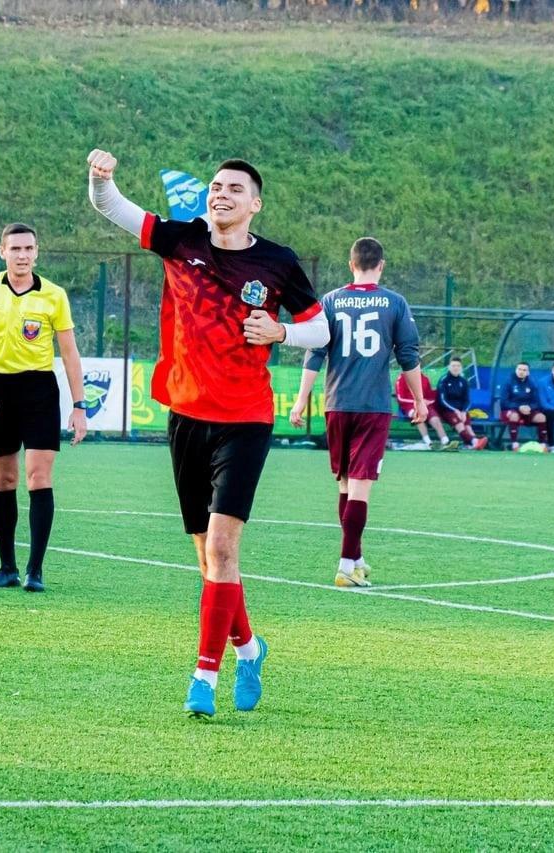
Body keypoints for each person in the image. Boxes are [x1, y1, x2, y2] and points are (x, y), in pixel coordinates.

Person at [89, 149, 329, 718]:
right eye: (217, 186)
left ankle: (204, 677)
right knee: (207, 558)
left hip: (246, 419)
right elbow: (112, 207)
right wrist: (101, 179)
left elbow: (320, 329)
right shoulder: (181, 239)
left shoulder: (277, 262)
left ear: (255, 205)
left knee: (223, 548)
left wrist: (281, 332)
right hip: (187, 416)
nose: (222, 194)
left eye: (235, 189)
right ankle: (249, 649)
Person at [293, 238, 424, 589]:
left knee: (346, 485)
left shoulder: (331, 301)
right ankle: (346, 565)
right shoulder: (394, 302)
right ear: (381, 265)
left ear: (351, 265)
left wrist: (301, 400)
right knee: (361, 488)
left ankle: (357, 557)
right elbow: (408, 355)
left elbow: (315, 352)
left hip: (336, 403)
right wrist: (420, 400)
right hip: (372, 406)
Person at [0, 224, 87, 595]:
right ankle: (7, 568)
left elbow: (70, 353)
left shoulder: (54, 295)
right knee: (4, 480)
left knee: (38, 477)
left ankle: (35, 570)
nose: (22, 255)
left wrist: (79, 406)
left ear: (37, 252)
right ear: (2, 251)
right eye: (15, 248)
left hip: (39, 392)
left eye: (28, 248)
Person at [395, 371, 455, 450]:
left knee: (435, 419)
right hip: (409, 406)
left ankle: (446, 442)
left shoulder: (424, 378)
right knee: (419, 416)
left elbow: (429, 396)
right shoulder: (402, 378)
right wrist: (418, 402)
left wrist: (433, 398)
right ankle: (428, 443)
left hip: (424, 406)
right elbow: (400, 398)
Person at [435, 357, 487, 449]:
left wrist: (464, 411)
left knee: (467, 426)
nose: (456, 368)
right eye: (453, 366)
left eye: (458, 366)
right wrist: (455, 410)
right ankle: (474, 442)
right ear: (449, 367)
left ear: (461, 368)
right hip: (446, 410)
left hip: (461, 410)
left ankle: (472, 444)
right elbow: (442, 400)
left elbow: (467, 400)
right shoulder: (444, 380)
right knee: (459, 424)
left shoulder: (463, 381)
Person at [499, 362, 549, 451]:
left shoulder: (532, 383)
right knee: (514, 416)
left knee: (542, 417)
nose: (521, 372)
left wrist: (530, 407)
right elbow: (504, 402)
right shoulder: (508, 382)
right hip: (511, 410)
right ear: (516, 370)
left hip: (528, 411)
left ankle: (542, 445)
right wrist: (519, 407)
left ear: (528, 372)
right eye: (519, 369)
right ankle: (514, 444)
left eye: (524, 370)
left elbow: (537, 402)